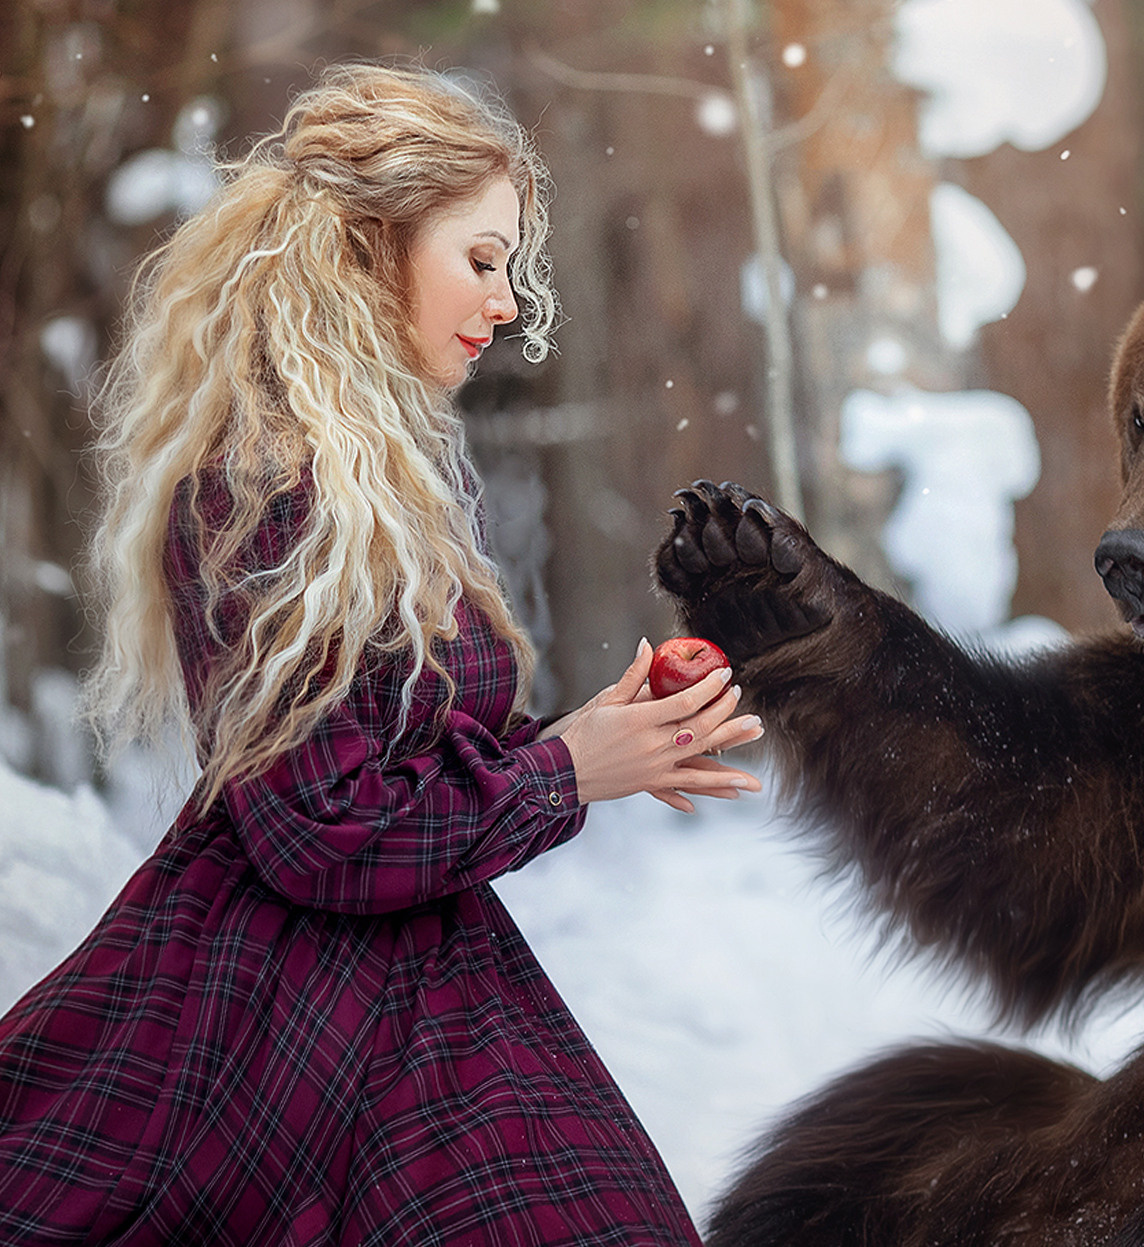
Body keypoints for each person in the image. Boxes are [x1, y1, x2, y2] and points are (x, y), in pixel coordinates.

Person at [0, 62, 760, 1245]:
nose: (506, 300)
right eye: (480, 256)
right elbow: (322, 827)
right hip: (278, 1011)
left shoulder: (359, 472)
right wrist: (564, 776)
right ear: (364, 249)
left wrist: (585, 741)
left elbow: (392, 748)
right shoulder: (264, 484)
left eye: (508, 264)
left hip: (417, 977)